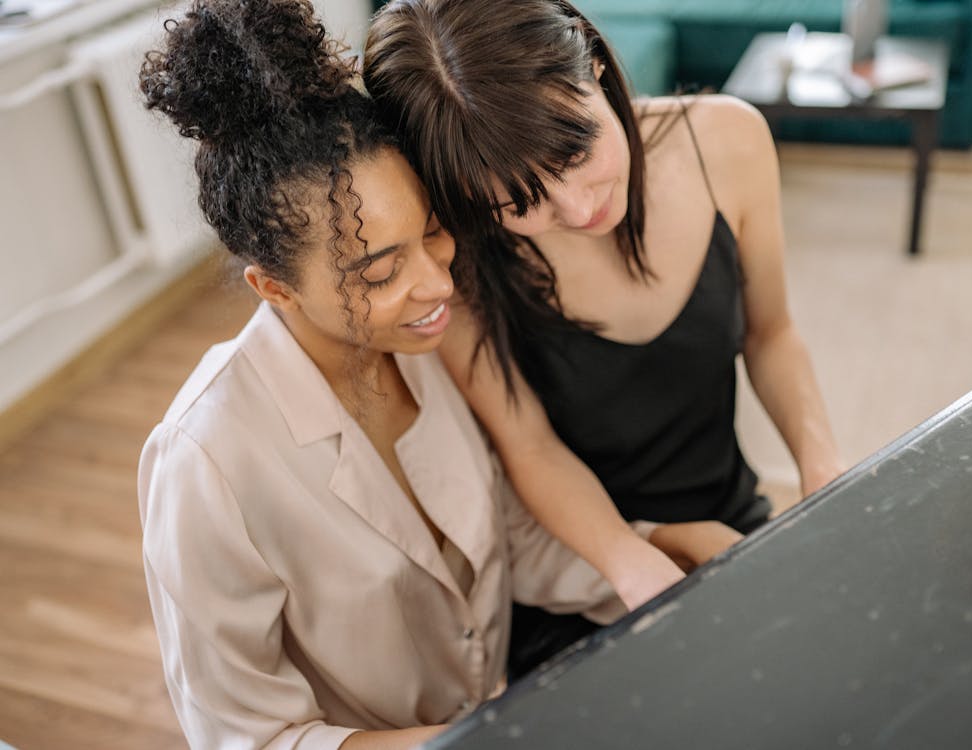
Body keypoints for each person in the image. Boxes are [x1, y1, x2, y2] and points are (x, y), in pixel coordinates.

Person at [136, 1, 736, 747]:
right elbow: (249, 737)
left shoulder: (425, 351)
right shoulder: (206, 464)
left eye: (432, 233)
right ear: (275, 289)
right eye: (381, 271)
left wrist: (655, 546)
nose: (437, 285)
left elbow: (497, 540)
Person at [362, 0, 848, 677]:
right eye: (519, 202)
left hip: (730, 518)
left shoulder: (726, 141)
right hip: (581, 573)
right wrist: (630, 563)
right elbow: (528, 446)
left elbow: (771, 334)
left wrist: (821, 471)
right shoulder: (460, 258)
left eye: (577, 149)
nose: (577, 207)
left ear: (593, 65)